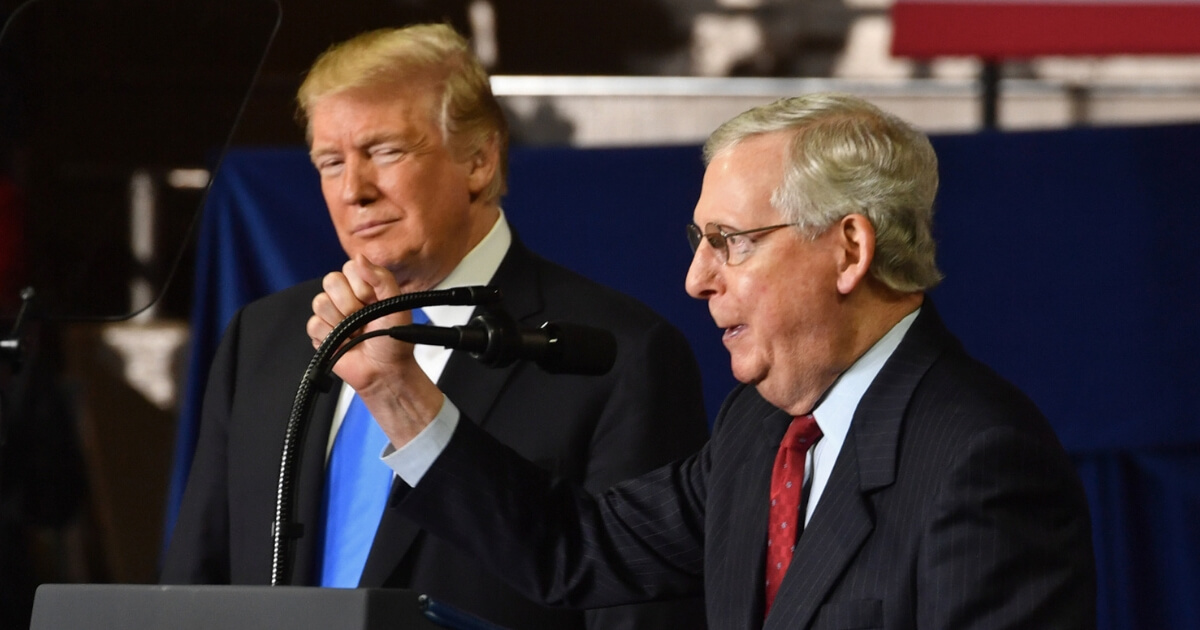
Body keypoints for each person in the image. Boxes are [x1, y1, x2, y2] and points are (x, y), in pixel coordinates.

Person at [309, 93, 1098, 628]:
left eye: (731, 243)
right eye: (700, 243)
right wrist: (397, 390)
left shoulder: (981, 460)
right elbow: (573, 548)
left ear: (849, 248)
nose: (697, 279)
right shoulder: (761, 430)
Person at [161, 24, 710, 630]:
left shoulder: (618, 355)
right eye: (330, 162)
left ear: (478, 160)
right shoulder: (264, 337)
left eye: (386, 151)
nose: (355, 191)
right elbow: (197, 584)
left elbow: (634, 612)